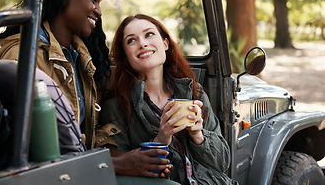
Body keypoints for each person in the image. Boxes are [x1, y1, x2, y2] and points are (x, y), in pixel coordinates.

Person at [0, 0, 119, 150]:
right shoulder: (22, 56)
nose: (99, 11)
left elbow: (85, 132)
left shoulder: (79, 56)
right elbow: (27, 144)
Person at [101, 14, 238, 184]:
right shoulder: (115, 106)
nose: (142, 43)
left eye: (149, 34)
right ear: (126, 56)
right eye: (131, 40)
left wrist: (198, 135)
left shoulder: (195, 92)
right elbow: (122, 174)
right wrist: (161, 140)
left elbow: (223, 163)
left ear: (165, 44)